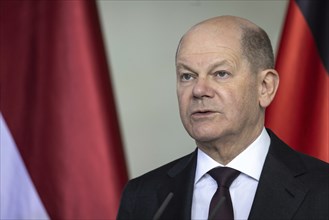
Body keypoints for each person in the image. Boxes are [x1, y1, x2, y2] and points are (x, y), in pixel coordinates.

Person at [117, 15, 329, 220]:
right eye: (187, 76)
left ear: (265, 87)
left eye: (220, 73)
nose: (199, 90)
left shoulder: (322, 189)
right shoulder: (142, 196)